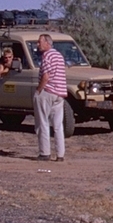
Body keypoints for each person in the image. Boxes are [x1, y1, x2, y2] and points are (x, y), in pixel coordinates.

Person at [33, 33, 67, 162]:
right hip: (60, 93)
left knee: (42, 122)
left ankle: (45, 152)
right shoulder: (59, 55)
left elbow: (46, 76)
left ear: (47, 43)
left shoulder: (47, 56)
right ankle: (60, 154)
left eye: (39, 42)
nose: (38, 44)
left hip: (48, 91)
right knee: (58, 125)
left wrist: (38, 90)